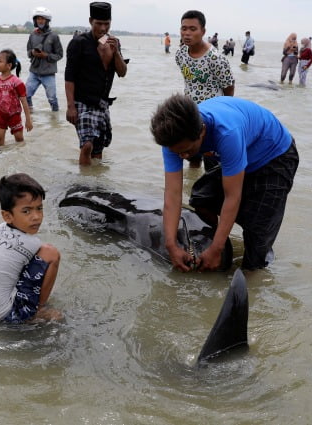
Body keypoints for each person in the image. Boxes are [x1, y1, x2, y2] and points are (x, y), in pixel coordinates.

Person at [150, 94, 299, 271]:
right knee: (202, 198)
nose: (182, 157)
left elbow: (232, 197)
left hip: (274, 156)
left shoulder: (227, 132)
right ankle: (215, 249)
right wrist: (171, 245)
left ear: (202, 132)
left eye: (187, 151)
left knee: (257, 237)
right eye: (177, 153)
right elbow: (172, 195)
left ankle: (247, 263)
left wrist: (217, 249)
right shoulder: (173, 139)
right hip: (241, 155)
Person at [0, 173, 62, 323]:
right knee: (50, 253)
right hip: (6, 315)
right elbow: (44, 259)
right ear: (7, 216)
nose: (36, 216)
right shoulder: (32, 242)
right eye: (27, 211)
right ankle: (39, 309)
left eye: (39, 208)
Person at [64, 2, 128, 165]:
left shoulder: (114, 42)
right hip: (82, 101)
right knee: (86, 145)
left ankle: (96, 183)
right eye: (99, 23)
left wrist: (116, 54)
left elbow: (122, 72)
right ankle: (83, 184)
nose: (103, 28)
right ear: (91, 21)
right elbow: (69, 76)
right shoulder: (79, 43)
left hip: (102, 102)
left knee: (98, 148)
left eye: (106, 24)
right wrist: (70, 106)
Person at [175, 10, 235, 168]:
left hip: (212, 118)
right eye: (184, 28)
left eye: (193, 29)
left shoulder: (216, 58)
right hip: (190, 114)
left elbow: (229, 87)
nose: (187, 33)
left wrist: (224, 112)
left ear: (203, 31)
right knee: (191, 158)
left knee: (212, 165)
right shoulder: (180, 54)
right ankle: (192, 188)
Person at [0, 49, 33, 146]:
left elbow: (24, 101)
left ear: (9, 65)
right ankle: (1, 159)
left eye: (0, 61)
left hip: (14, 115)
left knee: (19, 141)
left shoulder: (17, 82)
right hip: (0, 115)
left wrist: (28, 120)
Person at [26, 6, 64, 112]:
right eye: (38, 18)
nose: (40, 21)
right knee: (25, 95)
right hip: (34, 72)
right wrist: (33, 53)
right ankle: (30, 113)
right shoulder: (32, 35)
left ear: (47, 20)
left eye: (42, 19)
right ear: (35, 20)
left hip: (48, 73)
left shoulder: (54, 36)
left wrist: (46, 56)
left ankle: (55, 116)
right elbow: (28, 52)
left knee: (52, 99)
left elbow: (60, 55)